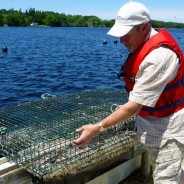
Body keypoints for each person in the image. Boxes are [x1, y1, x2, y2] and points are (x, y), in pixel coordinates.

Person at [73, 1, 184, 183]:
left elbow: (133, 107)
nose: (121, 40)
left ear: (144, 27)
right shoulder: (143, 42)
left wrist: (97, 128)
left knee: (165, 178)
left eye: (126, 34)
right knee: (168, 170)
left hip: (170, 129)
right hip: (152, 126)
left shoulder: (159, 56)